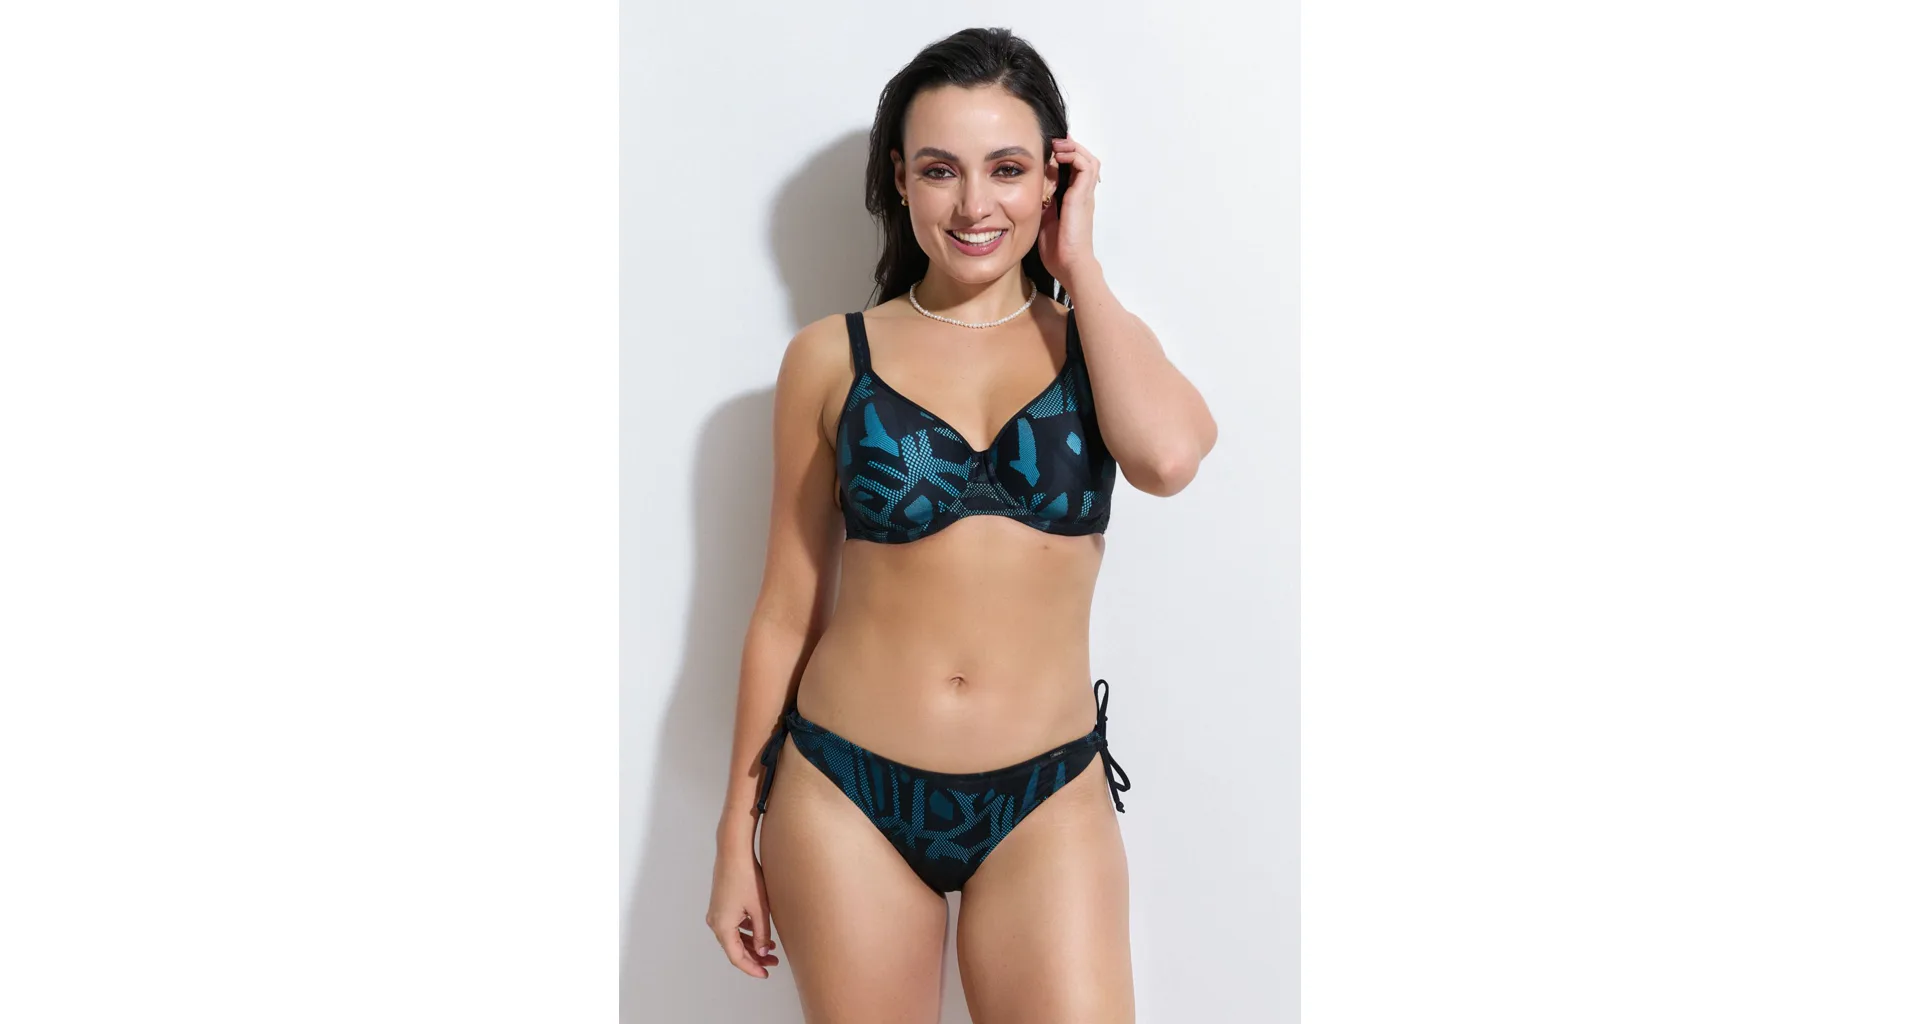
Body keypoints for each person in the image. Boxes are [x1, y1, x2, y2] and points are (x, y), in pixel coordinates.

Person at [705, 26, 1216, 1023]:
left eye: (1008, 169)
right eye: (941, 170)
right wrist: (735, 833)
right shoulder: (832, 357)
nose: (975, 204)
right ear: (899, 180)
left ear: (1055, 179)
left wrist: (1081, 264)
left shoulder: (1099, 347)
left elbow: (1167, 460)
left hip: (1046, 797)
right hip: (844, 791)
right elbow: (786, 608)